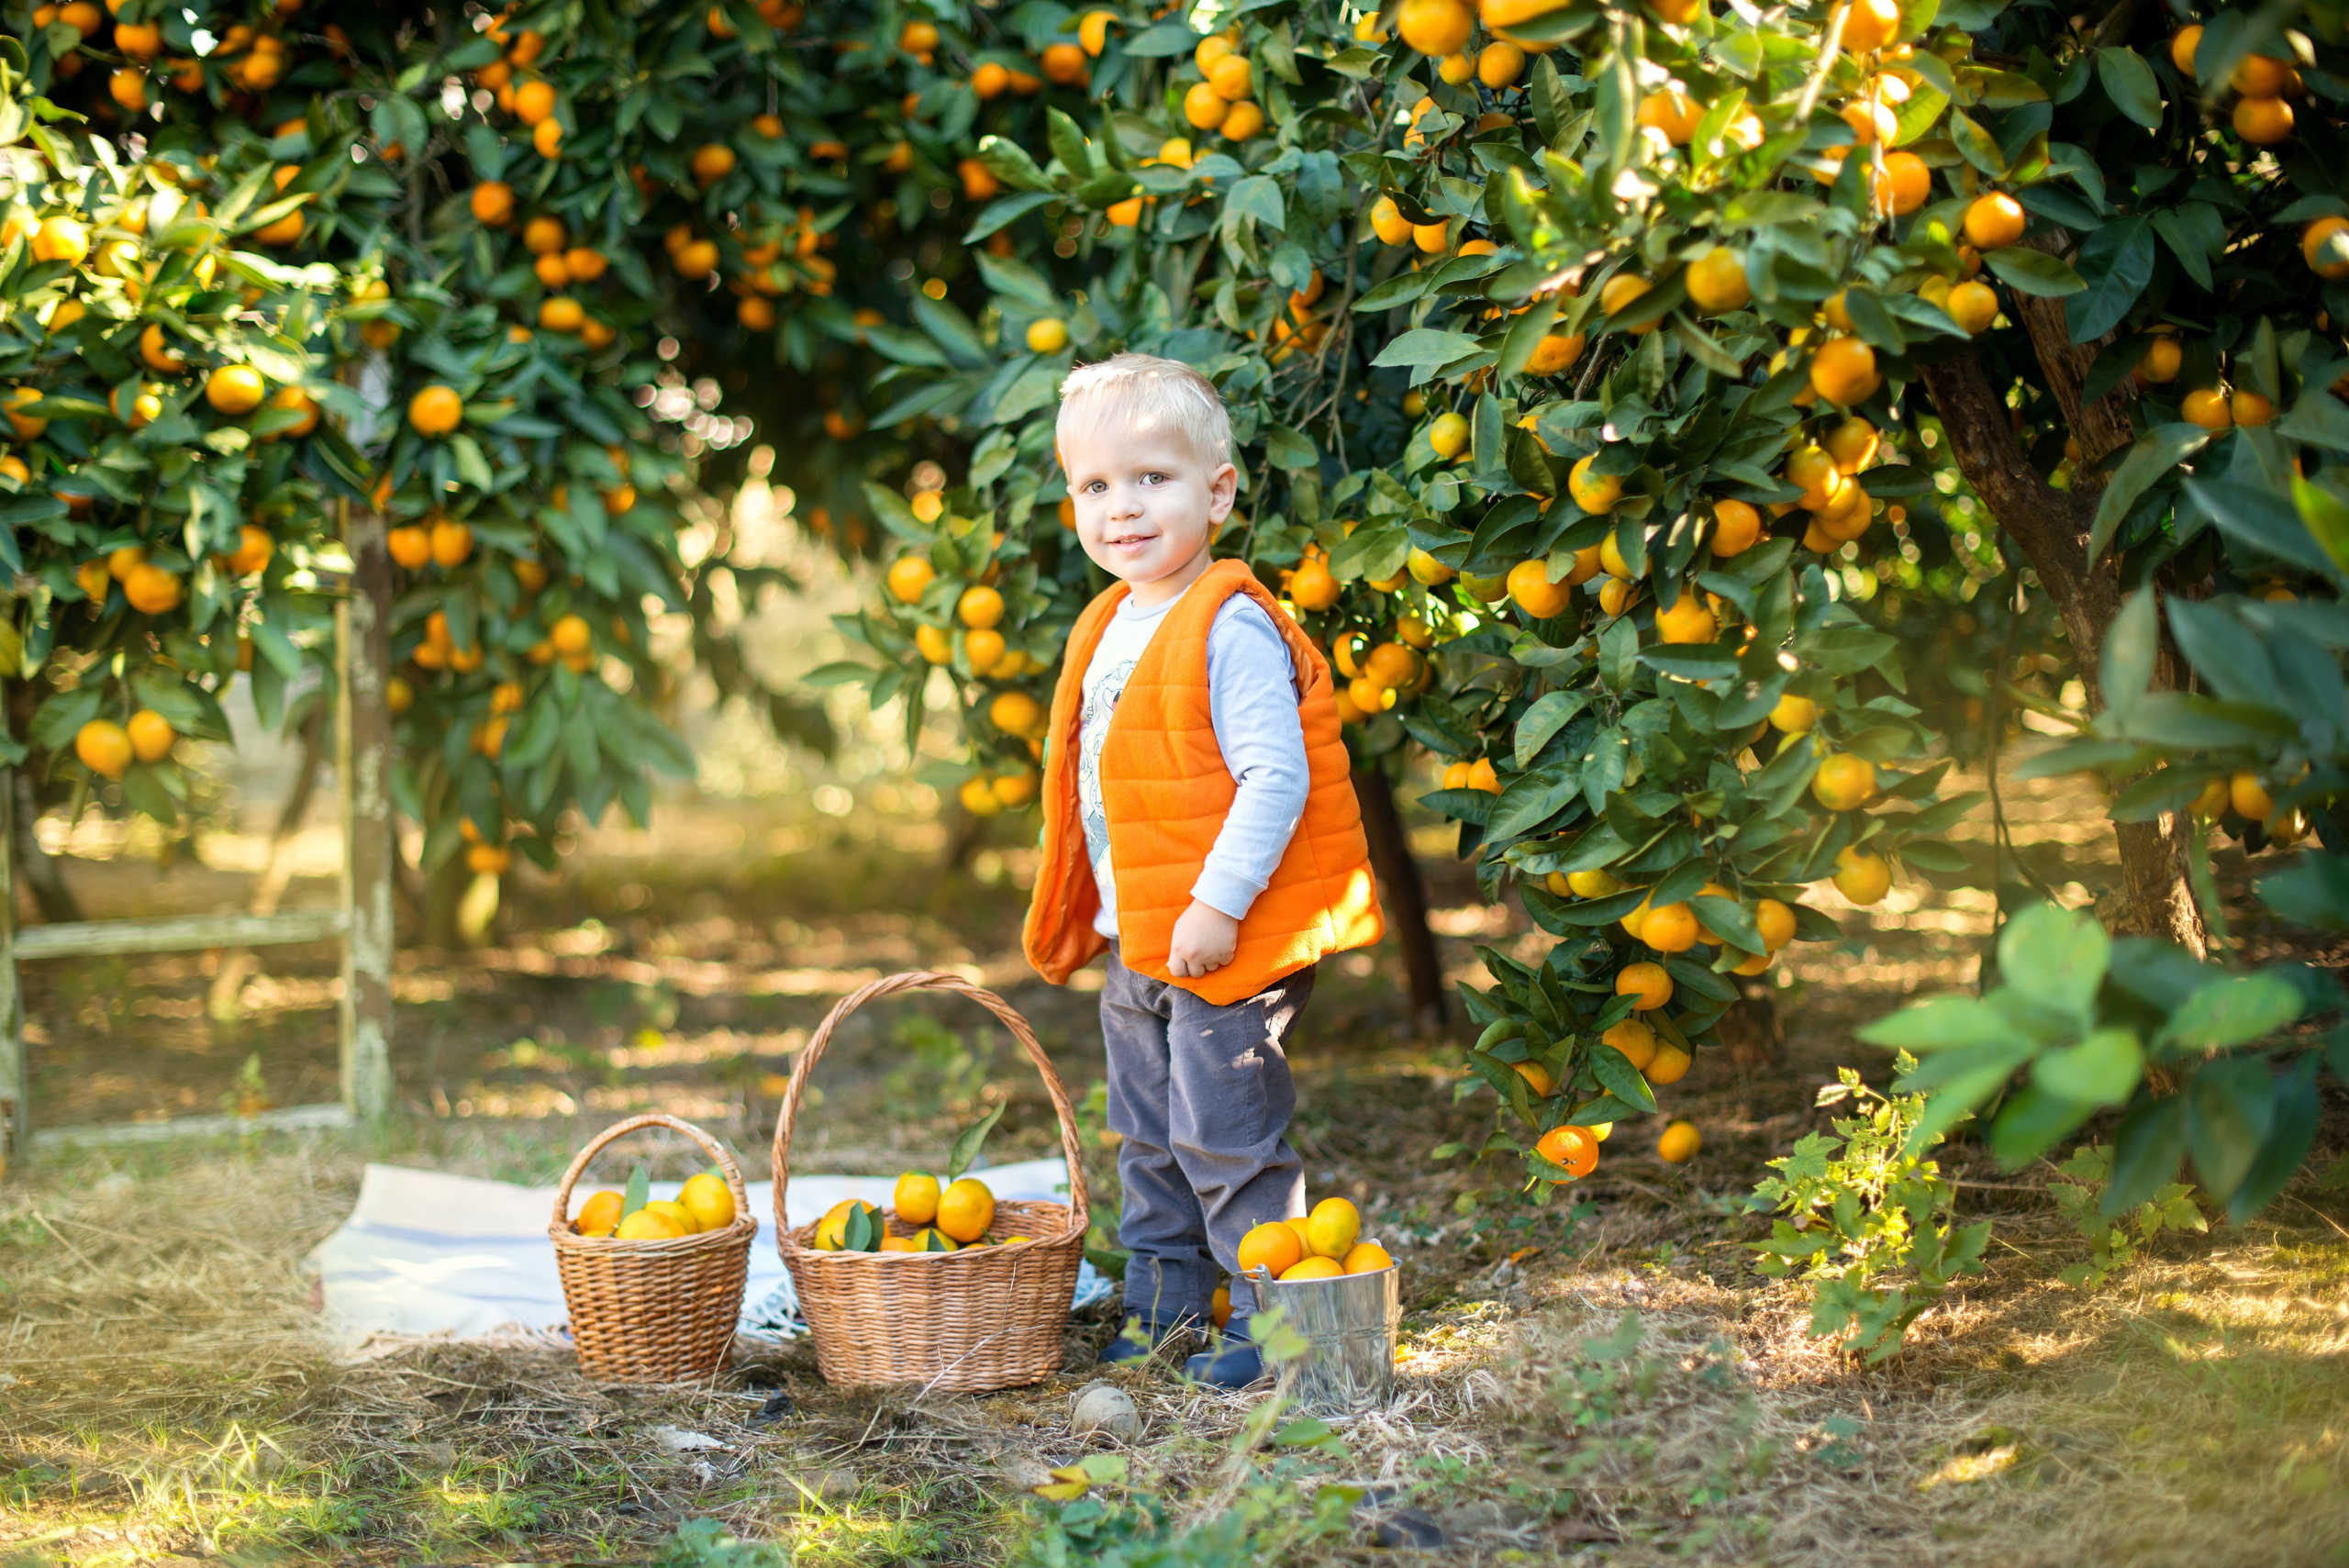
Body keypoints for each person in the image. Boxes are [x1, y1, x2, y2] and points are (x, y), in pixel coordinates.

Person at [1021, 352, 1385, 1387]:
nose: (1121, 508)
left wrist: (1216, 904)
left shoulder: (1227, 622)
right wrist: (1103, 903)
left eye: (1151, 479)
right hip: (1140, 936)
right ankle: (1166, 1302)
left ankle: (1273, 1329)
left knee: (1226, 1134)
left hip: (1221, 938)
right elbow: (1118, 786)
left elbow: (1276, 779)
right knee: (1145, 1130)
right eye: (1095, 486)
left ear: (1215, 491)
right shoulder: (1107, 624)